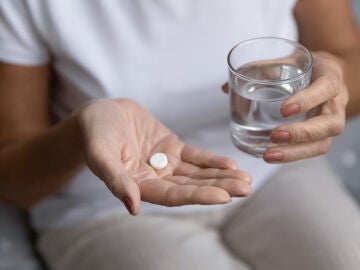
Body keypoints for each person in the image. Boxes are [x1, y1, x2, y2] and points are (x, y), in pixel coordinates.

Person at [0, 0, 359, 269]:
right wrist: (82, 131)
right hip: (112, 204)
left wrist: (334, 79)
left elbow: (349, 59)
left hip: (270, 167)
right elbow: (13, 180)